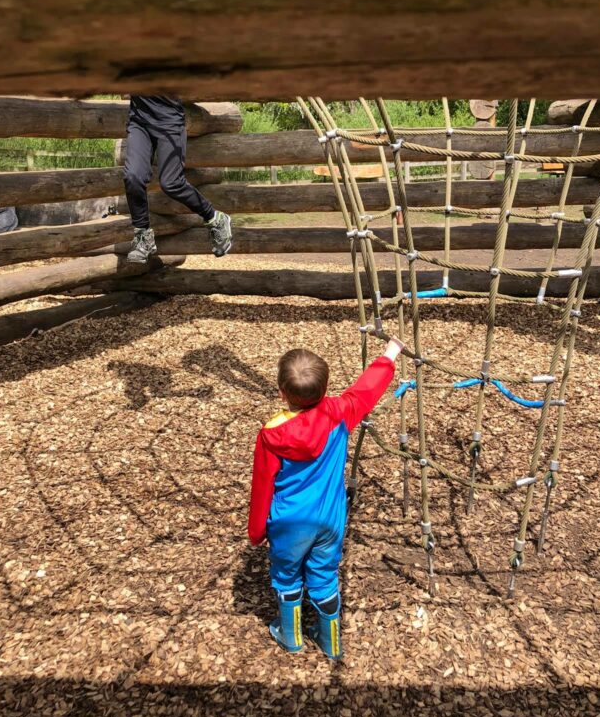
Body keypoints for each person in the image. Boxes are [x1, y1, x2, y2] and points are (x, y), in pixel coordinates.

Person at [248, 337, 404, 660]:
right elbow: (367, 389)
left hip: (290, 521)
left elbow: (263, 484)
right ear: (325, 387)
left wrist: (257, 531)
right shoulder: (340, 412)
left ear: (280, 391)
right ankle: (331, 641)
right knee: (324, 572)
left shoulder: (272, 434)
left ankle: (291, 637)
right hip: (331, 519)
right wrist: (390, 353)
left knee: (287, 573)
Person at [123, 94, 232, 263]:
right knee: (133, 177)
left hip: (169, 121)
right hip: (139, 122)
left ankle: (215, 218)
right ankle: (143, 236)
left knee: (172, 183)